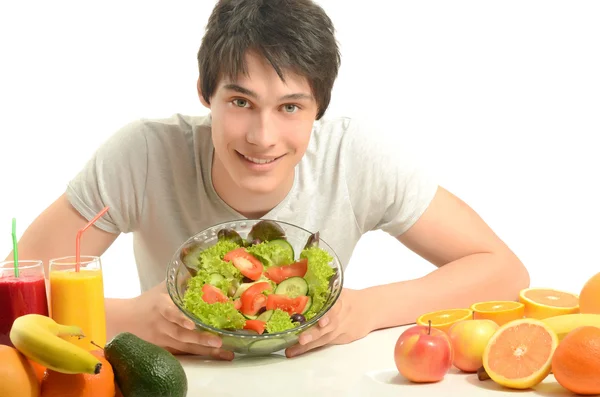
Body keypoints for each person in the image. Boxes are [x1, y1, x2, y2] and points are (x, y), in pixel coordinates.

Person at [5, 0, 530, 360]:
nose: (262, 136)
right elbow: (11, 301)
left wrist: (366, 309)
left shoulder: (356, 157)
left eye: (290, 107)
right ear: (205, 94)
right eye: (239, 102)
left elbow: (503, 271)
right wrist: (132, 317)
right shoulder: (141, 154)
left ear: (318, 109)